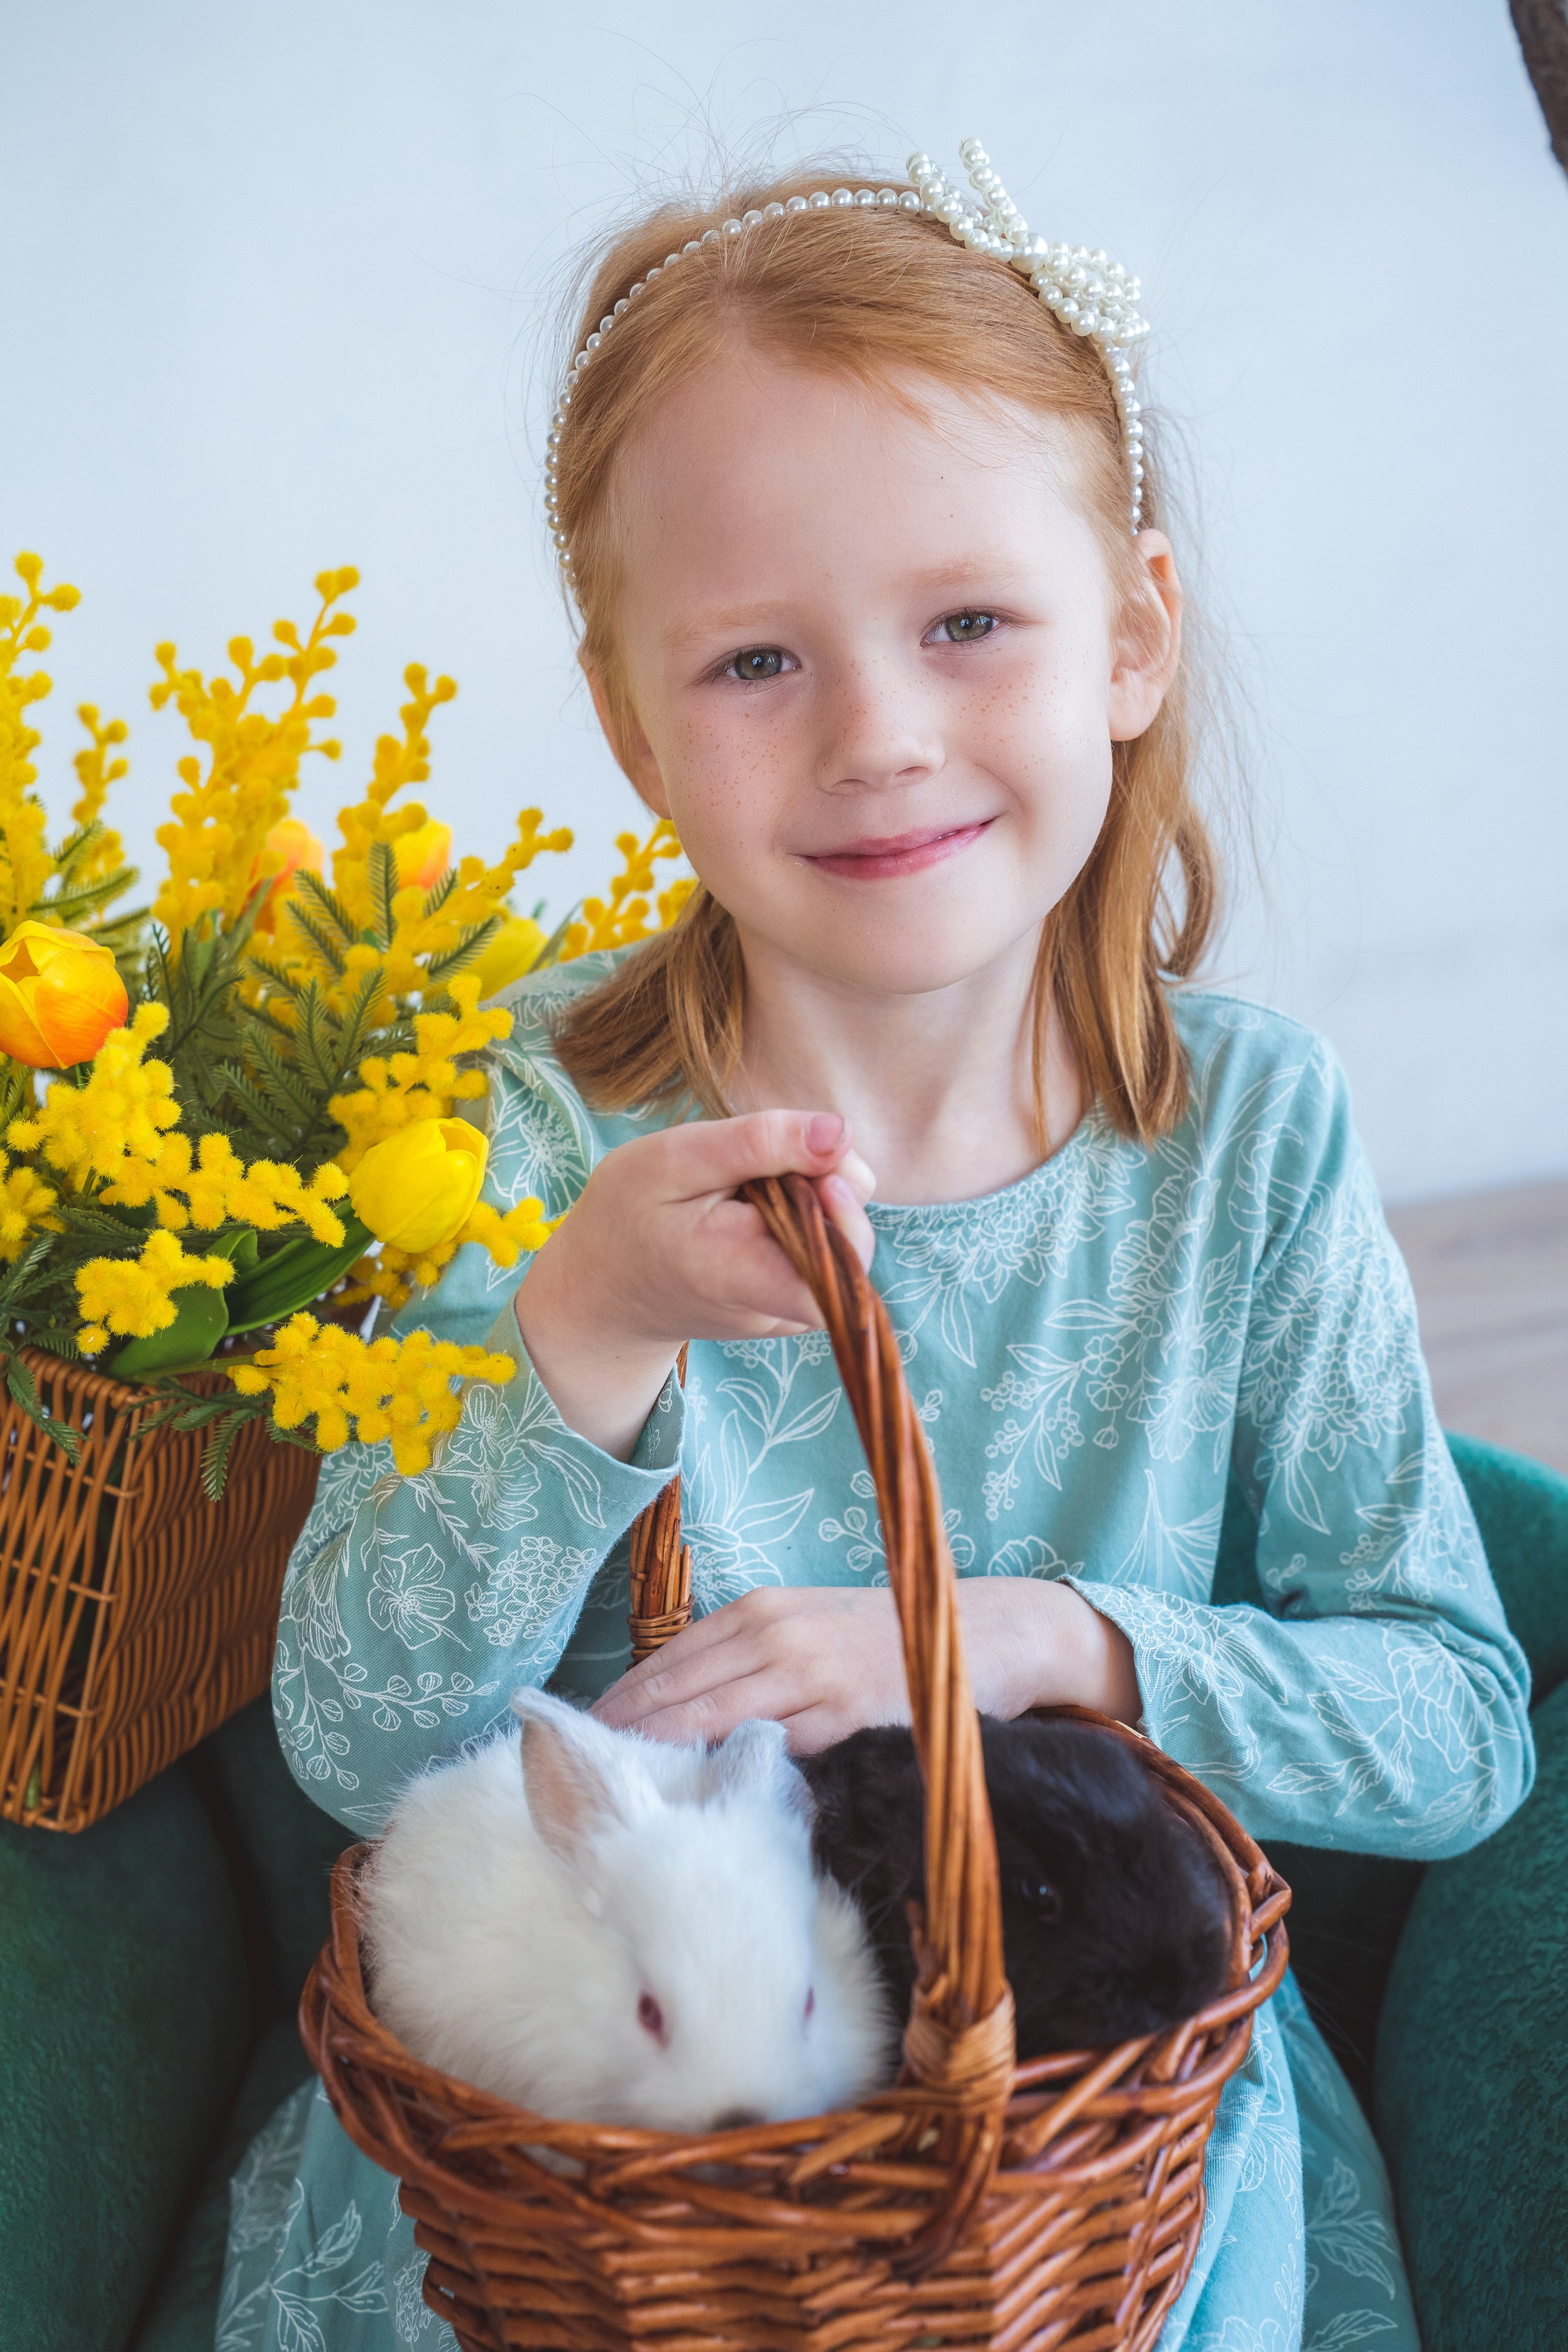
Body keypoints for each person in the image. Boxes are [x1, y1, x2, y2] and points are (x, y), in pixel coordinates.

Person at [219, 144, 1533, 2352]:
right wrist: (589, 1325)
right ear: (633, 724)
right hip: (602, 2158)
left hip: (1095, 2150)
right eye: (754, 659)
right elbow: (360, 1739)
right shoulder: (527, 1112)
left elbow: (1463, 1726)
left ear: (1129, 636)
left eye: (968, 623)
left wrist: (1034, 1641)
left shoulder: (1245, 1137)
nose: (879, 735)